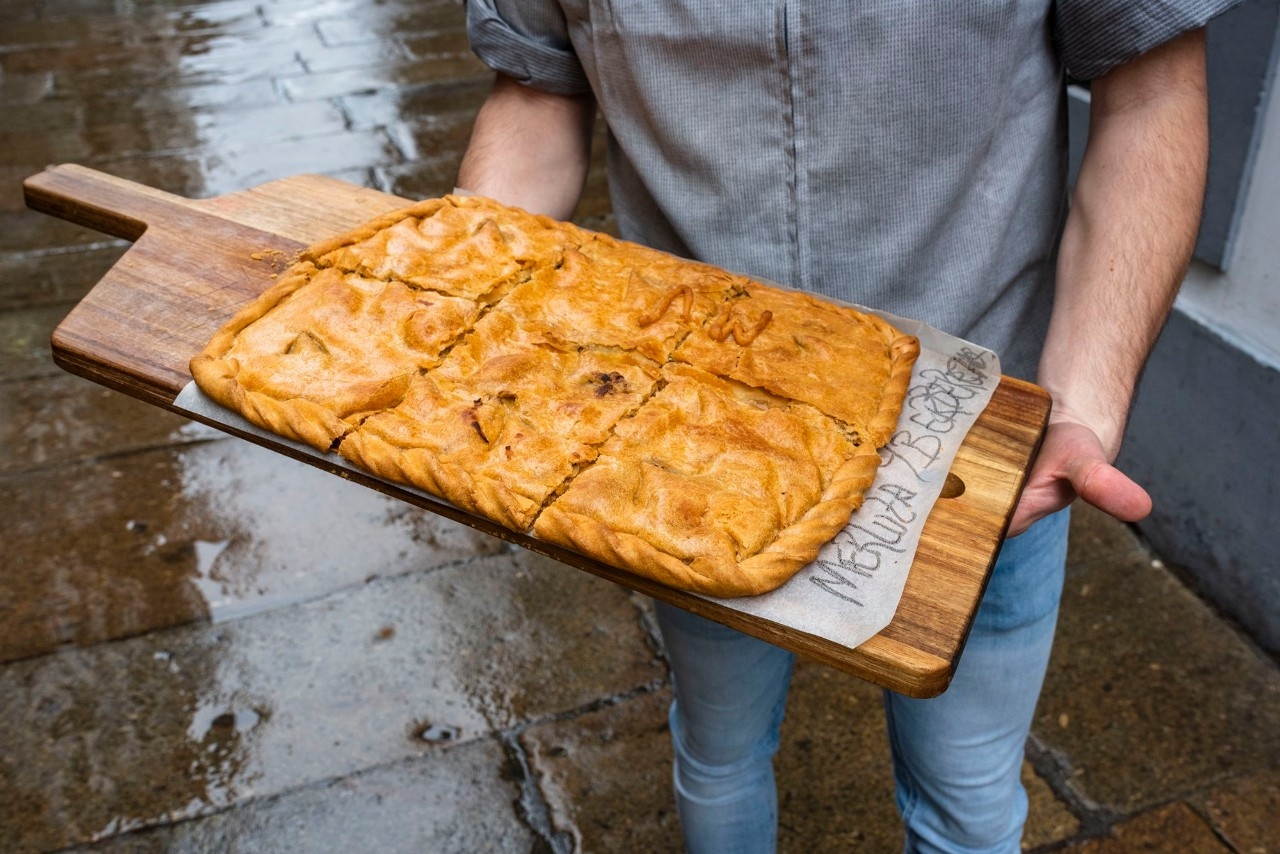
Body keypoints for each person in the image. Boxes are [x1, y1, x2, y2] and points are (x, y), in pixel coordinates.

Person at [454, 3, 1235, 851]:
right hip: (693, 450)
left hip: (978, 442)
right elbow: (538, 88)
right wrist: (456, 316)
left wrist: (1081, 406)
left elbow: (1151, 89)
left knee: (968, 801)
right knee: (719, 750)